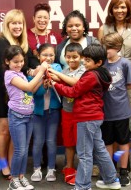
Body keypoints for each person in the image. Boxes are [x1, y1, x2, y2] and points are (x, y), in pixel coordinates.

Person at [52, 43, 121, 190]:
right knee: (100, 150)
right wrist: (58, 79)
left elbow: (73, 92)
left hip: (86, 118)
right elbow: (78, 86)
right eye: (85, 59)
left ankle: (82, 186)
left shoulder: (91, 75)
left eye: (88, 60)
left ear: (99, 62)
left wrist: (54, 83)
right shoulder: (101, 73)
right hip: (94, 117)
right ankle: (111, 180)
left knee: (84, 154)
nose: (84, 62)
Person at [0, 9, 39, 180]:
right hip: (0, 93)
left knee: (15, 132)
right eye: (13, 23)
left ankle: (12, 164)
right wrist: (32, 70)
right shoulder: (1, 42)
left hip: (17, 95)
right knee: (5, 131)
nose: (17, 26)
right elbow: (16, 67)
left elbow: (31, 63)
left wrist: (38, 68)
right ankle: (3, 165)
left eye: (20, 23)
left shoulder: (24, 44)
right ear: (7, 25)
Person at [4, 45, 48, 190]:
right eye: (15, 61)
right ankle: (14, 179)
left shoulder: (21, 75)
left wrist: (42, 79)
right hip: (17, 117)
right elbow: (28, 87)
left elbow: (31, 91)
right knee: (20, 150)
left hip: (29, 116)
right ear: (7, 62)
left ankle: (21, 176)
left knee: (24, 150)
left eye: (21, 61)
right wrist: (40, 70)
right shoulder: (10, 75)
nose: (19, 64)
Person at [97, 0, 131, 118]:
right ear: (111, 10)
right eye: (116, 7)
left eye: (123, 7)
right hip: (110, 75)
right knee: (111, 108)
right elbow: (100, 55)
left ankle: (129, 137)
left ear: (128, 9)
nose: (120, 11)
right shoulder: (104, 29)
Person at [100, 32, 131, 187]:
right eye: (105, 47)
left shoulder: (125, 64)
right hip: (105, 112)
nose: (106, 50)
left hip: (121, 112)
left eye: (109, 48)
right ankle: (110, 172)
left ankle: (123, 172)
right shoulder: (101, 64)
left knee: (123, 142)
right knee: (107, 142)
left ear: (117, 47)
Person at [48, 42, 85, 186]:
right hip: (67, 112)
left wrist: (56, 74)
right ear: (64, 57)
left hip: (80, 114)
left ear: (81, 57)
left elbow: (75, 83)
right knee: (69, 142)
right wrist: (47, 74)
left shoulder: (84, 70)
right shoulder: (64, 70)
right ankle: (69, 167)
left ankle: (82, 170)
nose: (71, 60)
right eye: (68, 57)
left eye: (75, 57)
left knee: (81, 143)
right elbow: (57, 79)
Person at [30, 43, 62, 182]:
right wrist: (42, 82)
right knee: (38, 141)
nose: (48, 58)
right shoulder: (34, 71)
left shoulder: (57, 68)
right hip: (37, 113)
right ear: (38, 55)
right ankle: (36, 168)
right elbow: (32, 92)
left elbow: (60, 81)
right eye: (44, 55)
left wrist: (50, 77)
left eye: (51, 55)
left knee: (51, 141)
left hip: (53, 112)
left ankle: (51, 169)